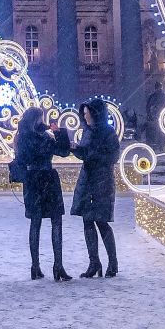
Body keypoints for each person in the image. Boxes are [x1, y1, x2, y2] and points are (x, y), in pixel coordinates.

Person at [12, 107, 72, 281]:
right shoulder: (42, 137)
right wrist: (57, 133)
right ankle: (57, 266)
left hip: (33, 181)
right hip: (46, 179)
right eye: (41, 119)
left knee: (36, 223)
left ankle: (36, 266)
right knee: (55, 222)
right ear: (36, 120)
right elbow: (63, 151)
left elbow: (22, 158)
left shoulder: (22, 137)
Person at [70, 98, 121, 277]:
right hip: (88, 180)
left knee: (101, 221)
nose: (85, 116)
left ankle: (112, 263)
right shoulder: (88, 131)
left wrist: (91, 154)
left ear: (95, 113)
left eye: (87, 113)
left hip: (101, 181)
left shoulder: (107, 132)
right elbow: (86, 153)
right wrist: (75, 149)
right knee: (87, 220)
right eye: (83, 114)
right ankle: (94, 263)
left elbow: (113, 155)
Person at [145, 80, 165, 150]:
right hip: (160, 116)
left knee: (156, 131)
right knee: (160, 131)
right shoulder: (164, 96)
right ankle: (160, 146)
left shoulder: (153, 96)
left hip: (155, 116)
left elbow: (148, 106)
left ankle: (156, 145)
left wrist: (150, 114)